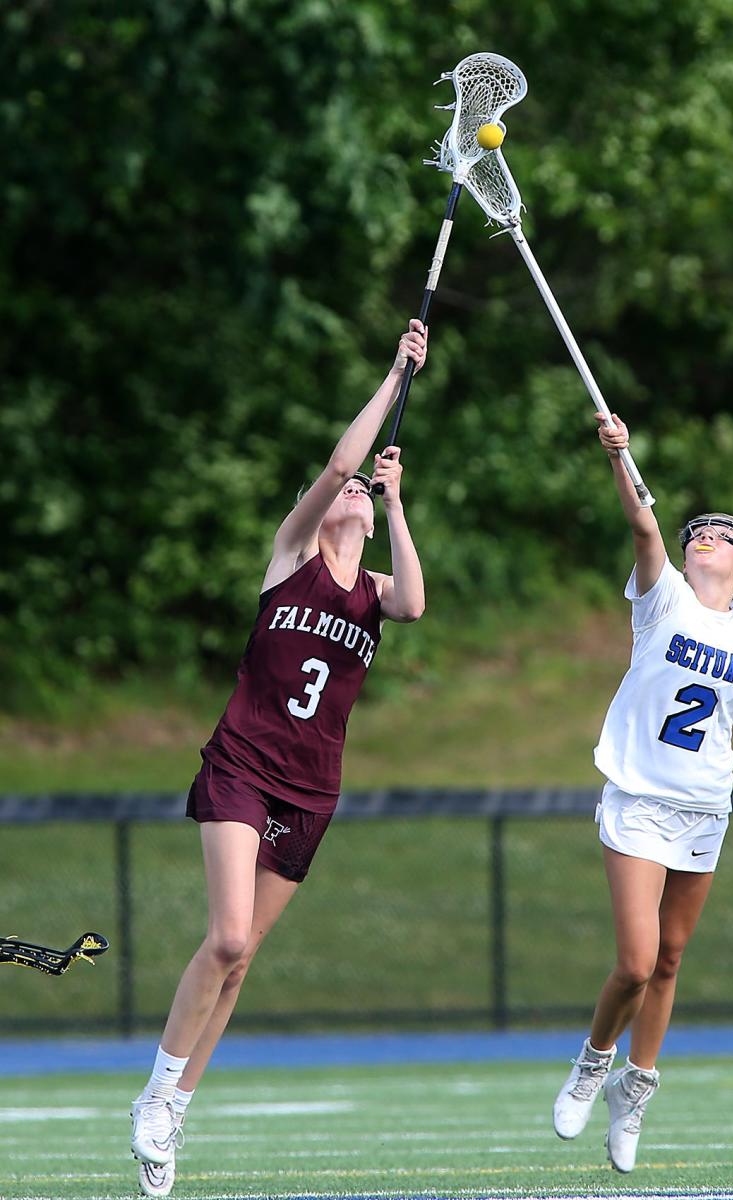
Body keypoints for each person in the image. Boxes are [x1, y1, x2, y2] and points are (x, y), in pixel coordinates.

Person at [129, 319, 429, 1198]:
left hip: (313, 790)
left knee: (244, 959)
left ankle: (176, 1110)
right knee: (224, 935)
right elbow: (339, 468)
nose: (353, 497)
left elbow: (413, 603)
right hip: (242, 767)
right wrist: (394, 372)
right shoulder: (291, 557)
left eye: (364, 501)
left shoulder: (374, 592)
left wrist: (399, 500)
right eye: (345, 493)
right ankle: (154, 1096)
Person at [552, 412, 733, 1174]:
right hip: (635, 796)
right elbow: (643, 526)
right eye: (699, 531)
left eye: (723, 536)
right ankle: (595, 1061)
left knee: (670, 961)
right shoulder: (664, 599)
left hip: (704, 807)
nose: (705, 538)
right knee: (635, 960)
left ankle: (638, 1088)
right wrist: (622, 459)